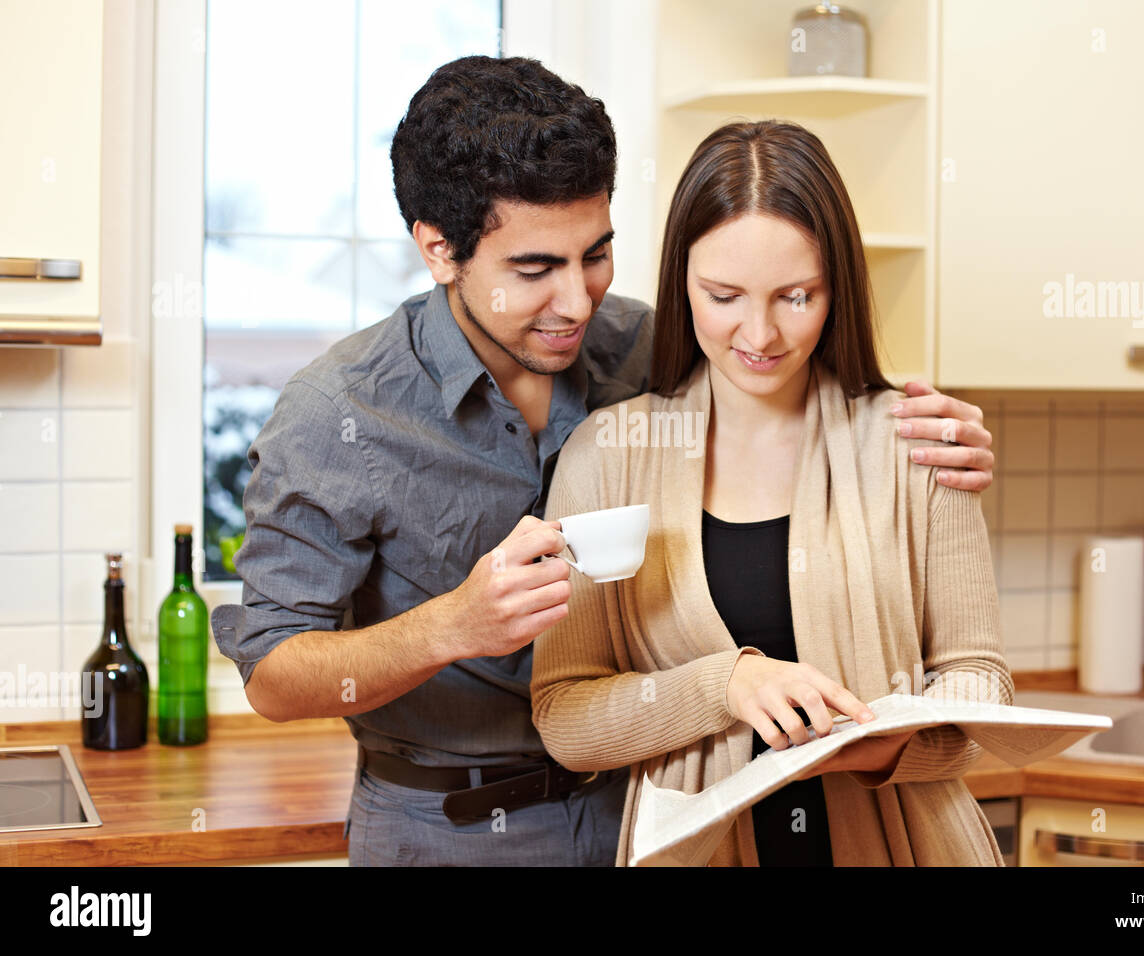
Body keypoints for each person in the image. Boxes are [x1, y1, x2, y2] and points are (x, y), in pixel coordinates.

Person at [212, 57, 996, 867]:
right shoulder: (341, 413)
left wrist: (929, 430)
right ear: (440, 250)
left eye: (595, 254)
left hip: (646, 808)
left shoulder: (646, 346)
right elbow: (272, 674)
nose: (579, 302)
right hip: (448, 824)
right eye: (535, 270)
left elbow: (779, 355)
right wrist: (454, 625)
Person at [531, 120, 1013, 867]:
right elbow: (566, 718)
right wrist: (727, 685)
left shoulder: (917, 441)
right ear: (680, 281)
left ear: (838, 288)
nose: (760, 333)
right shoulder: (608, 455)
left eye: (796, 296)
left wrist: (891, 746)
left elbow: (981, 681)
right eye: (723, 295)